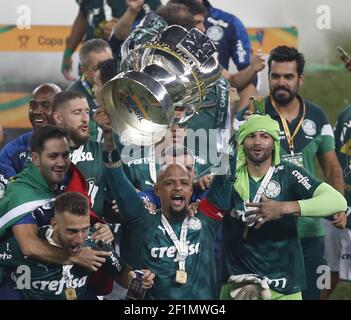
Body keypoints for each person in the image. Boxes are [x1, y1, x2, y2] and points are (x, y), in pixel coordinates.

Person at [235, 46, 346, 300]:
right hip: (265, 233)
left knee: (310, 295)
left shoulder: (317, 116)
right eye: (275, 76)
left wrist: (337, 203)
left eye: (288, 77)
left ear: (300, 79)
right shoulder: (254, 113)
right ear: (269, 77)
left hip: (309, 230)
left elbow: (331, 166)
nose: (281, 83)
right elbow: (234, 164)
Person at [206, 114, 346, 300]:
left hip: (283, 286)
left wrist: (283, 208)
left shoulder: (289, 172)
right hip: (238, 285)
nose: (257, 142)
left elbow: (337, 201)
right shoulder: (228, 176)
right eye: (251, 136)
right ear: (242, 141)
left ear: (274, 142)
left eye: (264, 136)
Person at [0, 125, 114, 299]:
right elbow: (30, 246)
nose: (61, 163)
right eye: (53, 156)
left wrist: (98, 226)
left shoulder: (70, 178)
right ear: (36, 159)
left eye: (66, 155)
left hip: (61, 272)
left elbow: (81, 215)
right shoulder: (21, 193)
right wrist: (76, 257)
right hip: (19, 274)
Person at [0, 191, 154, 300]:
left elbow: (121, 273)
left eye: (84, 229)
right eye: (72, 231)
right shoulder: (26, 246)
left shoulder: (94, 242)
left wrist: (138, 279)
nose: (79, 239)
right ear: (54, 224)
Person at [52, 90, 116, 220]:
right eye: (77, 113)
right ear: (58, 118)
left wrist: (107, 227)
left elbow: (119, 194)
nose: (85, 118)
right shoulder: (45, 155)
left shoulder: (100, 151)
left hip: (94, 232)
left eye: (87, 112)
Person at [61, 0, 161, 81]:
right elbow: (83, 16)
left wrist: (125, 29)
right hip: (93, 66)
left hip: (129, 69)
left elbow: (158, 29)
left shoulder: (151, 3)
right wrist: (68, 52)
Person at [0, 83, 61, 177]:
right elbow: (11, 189)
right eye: (33, 106)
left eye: (45, 105)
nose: (36, 111)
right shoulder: (12, 151)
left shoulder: (79, 144)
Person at [66, 39, 113, 142]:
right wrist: (94, 128)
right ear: (84, 71)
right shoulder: (69, 100)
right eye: (98, 68)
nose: (106, 71)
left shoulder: (125, 87)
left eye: (110, 64)